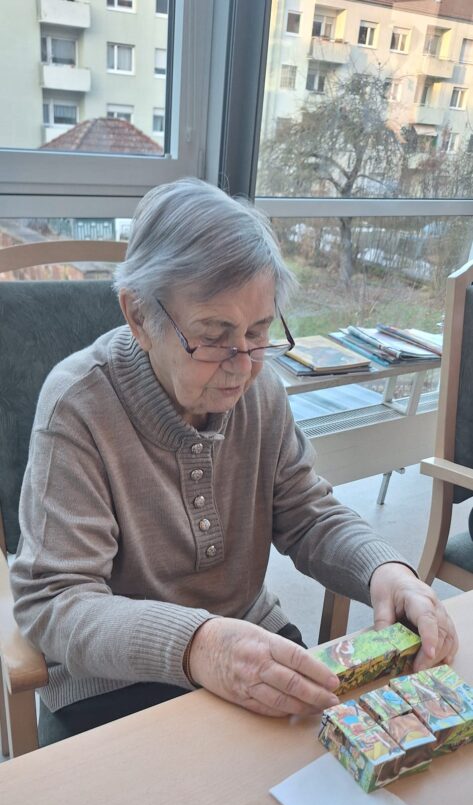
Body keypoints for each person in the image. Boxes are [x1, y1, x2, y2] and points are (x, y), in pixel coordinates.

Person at [11, 178, 458, 746]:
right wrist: (198, 644)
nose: (243, 365)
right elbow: (56, 601)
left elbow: (307, 514)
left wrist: (385, 571)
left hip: (248, 637)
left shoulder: (258, 388)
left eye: (259, 331)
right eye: (214, 335)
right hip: (111, 679)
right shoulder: (78, 407)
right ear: (139, 316)